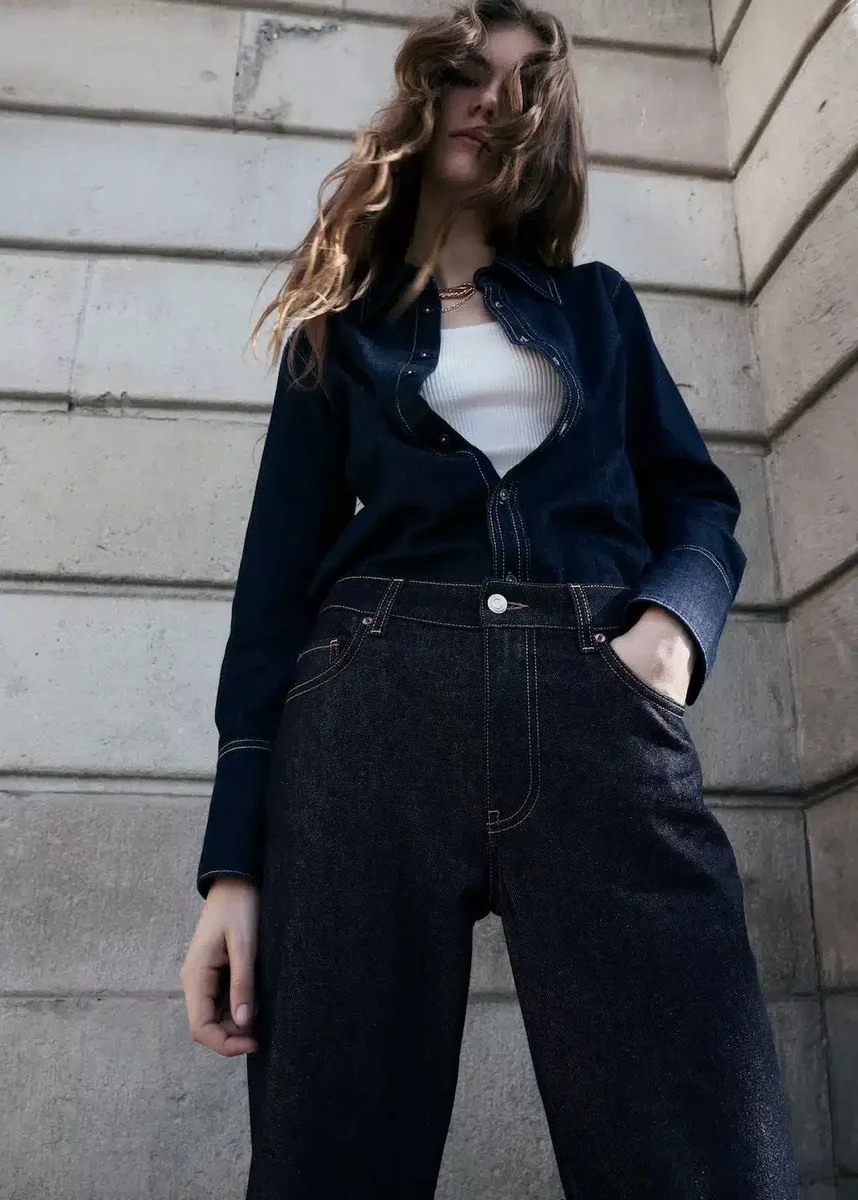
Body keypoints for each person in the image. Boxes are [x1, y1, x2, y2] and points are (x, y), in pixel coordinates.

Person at [180, 0, 801, 1195]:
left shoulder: (597, 307)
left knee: (701, 1142)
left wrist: (672, 634)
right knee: (331, 1151)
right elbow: (270, 601)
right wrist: (231, 873)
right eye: (470, 72)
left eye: (525, 89)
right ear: (425, 94)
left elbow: (698, 503)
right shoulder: (337, 335)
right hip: (370, 723)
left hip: (598, 710)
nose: (492, 102)